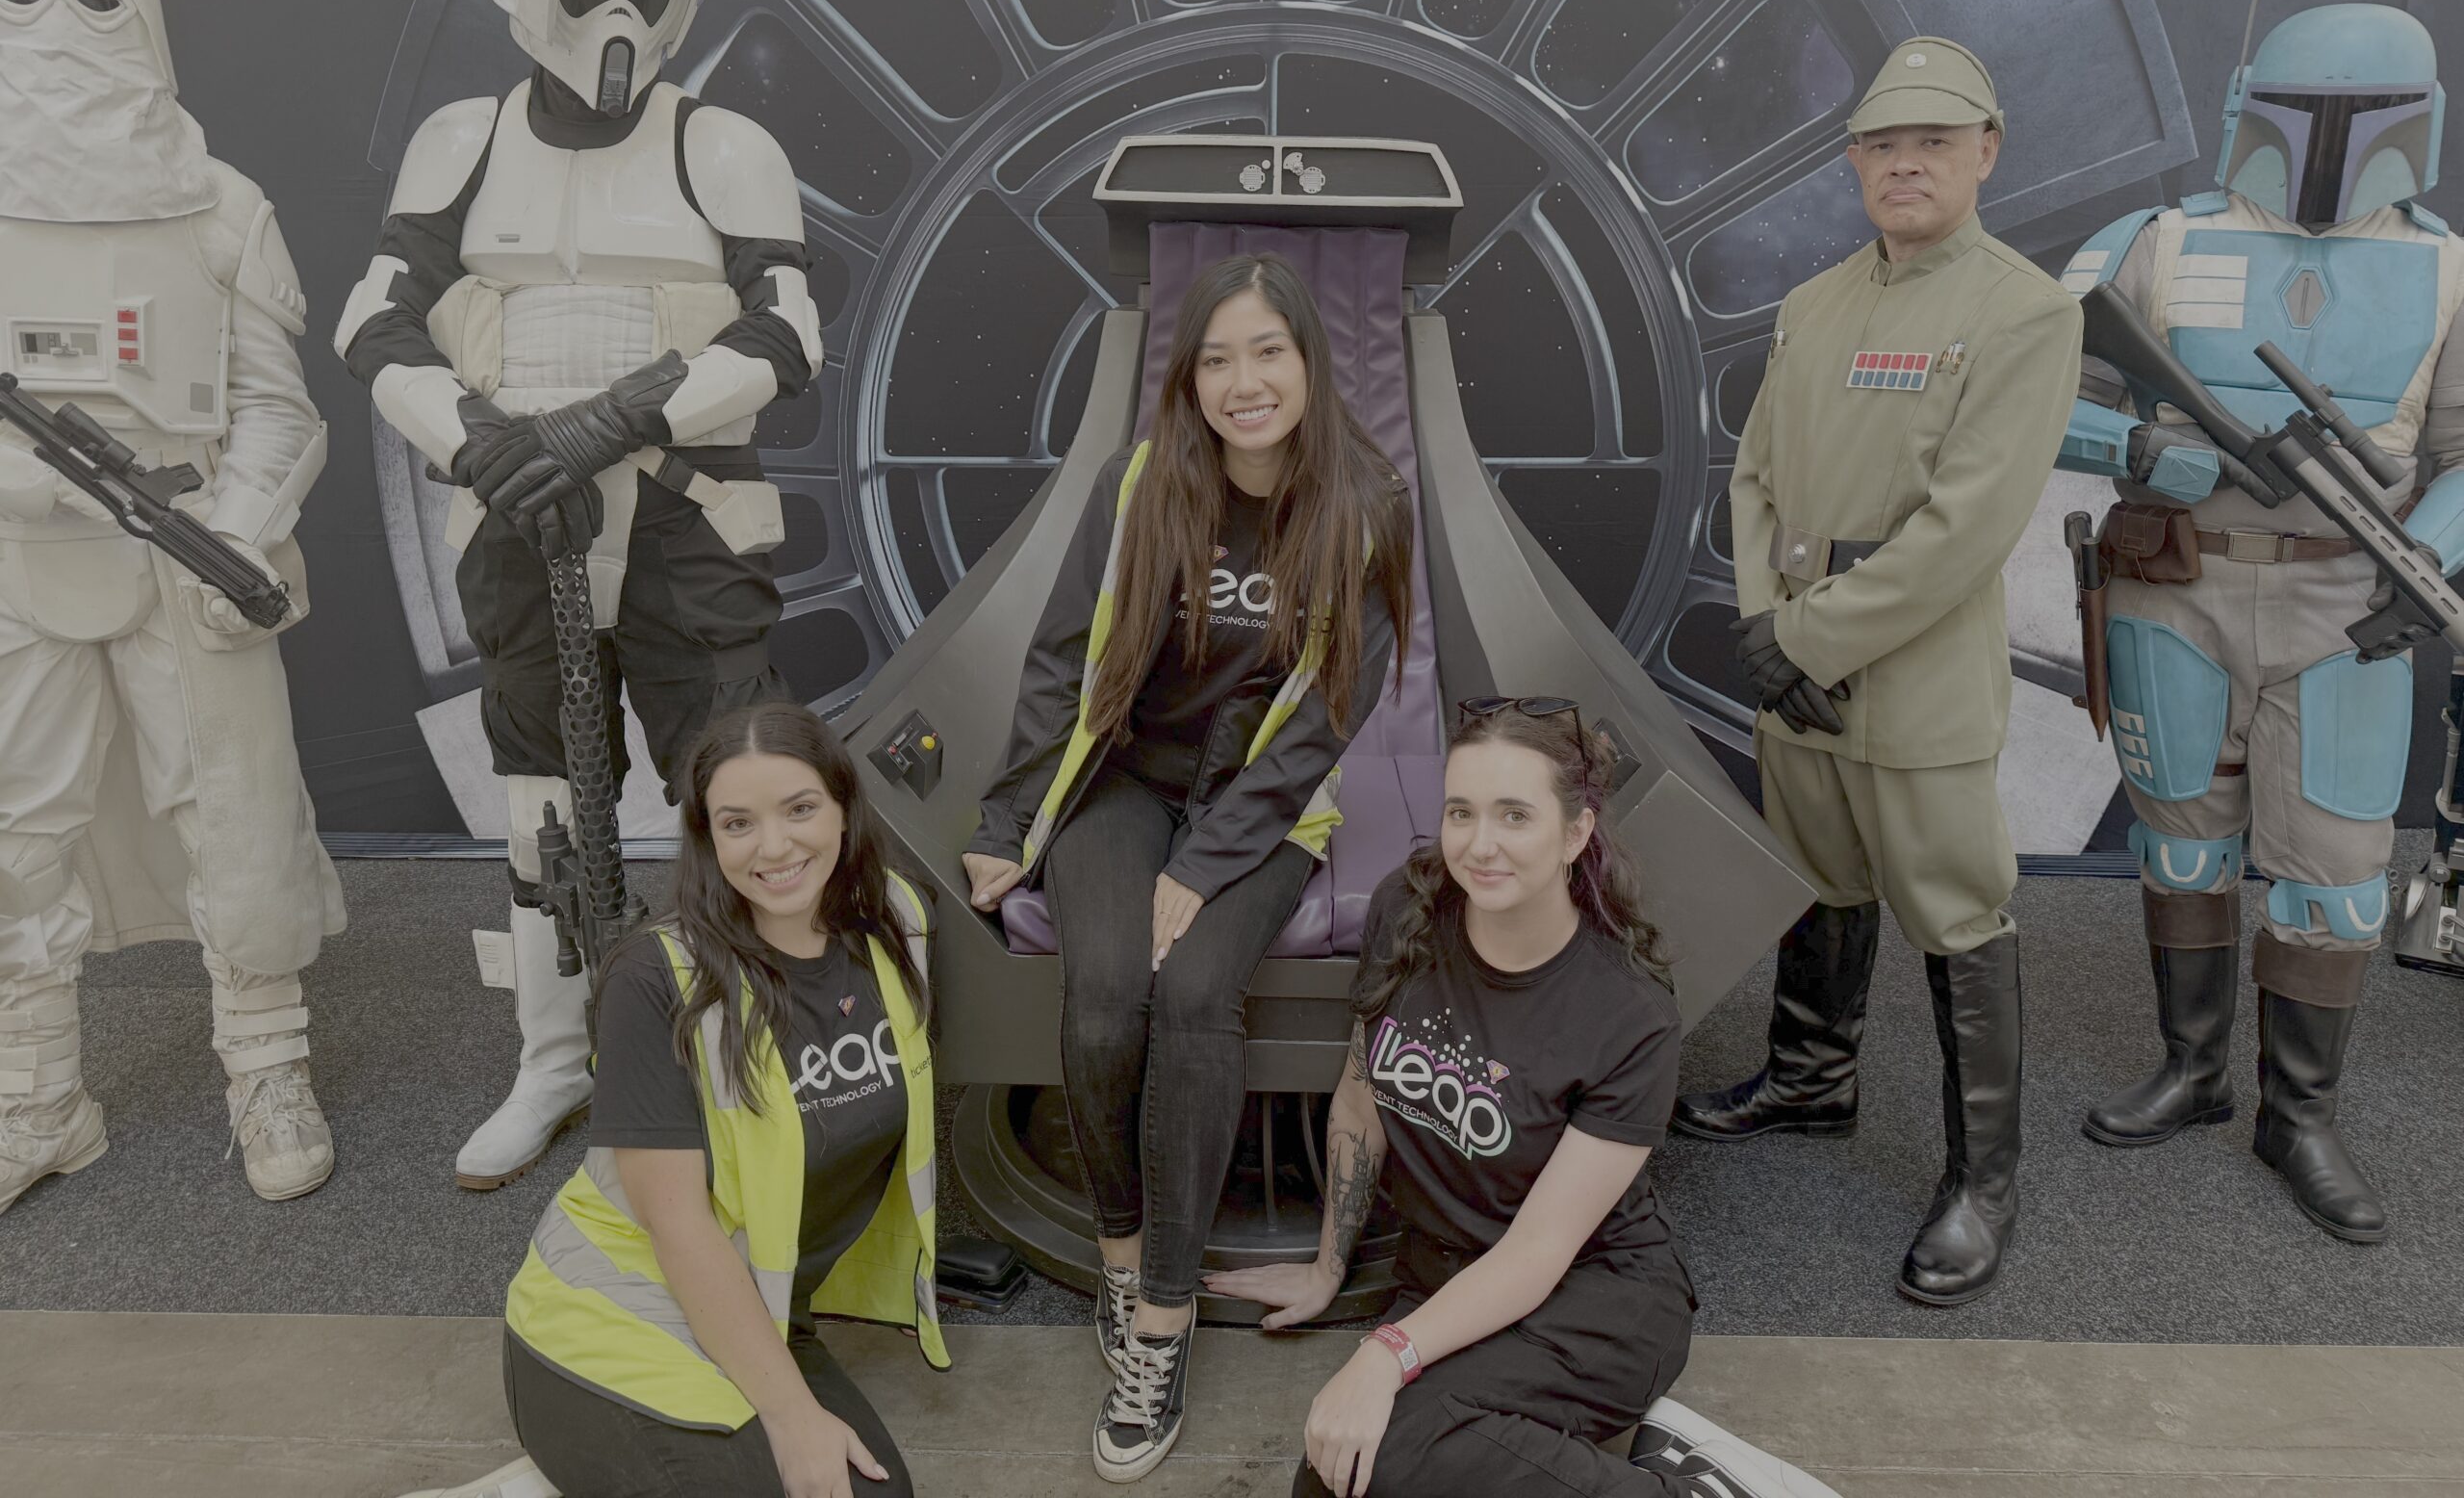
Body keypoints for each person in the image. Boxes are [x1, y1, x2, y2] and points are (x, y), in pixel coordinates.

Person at [334, 0, 823, 1192]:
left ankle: (749, 1050)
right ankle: (556, 1059)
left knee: (736, 786)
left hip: (684, 515)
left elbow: (788, 331)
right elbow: (373, 316)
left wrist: (614, 422)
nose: (619, 19)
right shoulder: (465, 144)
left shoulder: (718, 147)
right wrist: (483, 441)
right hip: (514, 517)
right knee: (544, 795)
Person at [962, 250, 1411, 1483]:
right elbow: (1065, 656)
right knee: (1106, 994)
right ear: (1189, 377)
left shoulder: (1365, 502)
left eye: (1267, 351)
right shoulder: (1143, 483)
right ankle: (1118, 1253)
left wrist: (1206, 864)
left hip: (1263, 808)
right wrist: (1008, 821)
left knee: (1196, 989)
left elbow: (1330, 711)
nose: (1242, 380)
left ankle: (1160, 1320)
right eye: (1216, 357)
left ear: (1310, 363)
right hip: (1122, 785)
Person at [1676, 39, 2083, 1307]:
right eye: (1881, 145)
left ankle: (1984, 1183)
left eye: (1933, 143)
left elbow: (1966, 529)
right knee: (1819, 880)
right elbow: (1750, 479)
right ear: (1854, 162)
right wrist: (1764, 621)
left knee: (1956, 907)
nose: (1904, 164)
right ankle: (1810, 1082)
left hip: (1908, 675)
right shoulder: (1815, 305)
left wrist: (1805, 637)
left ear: (1985, 151)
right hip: (1794, 663)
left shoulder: (2025, 310)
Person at [2050, 0, 2464, 1243]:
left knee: (2337, 878)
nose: (2330, 143)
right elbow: (2026, 385)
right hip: (2177, 582)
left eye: (2362, 117)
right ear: (2250, 109)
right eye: (2309, 113)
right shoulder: (2154, 245)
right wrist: (2130, 442)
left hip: (2351, 598)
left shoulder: (2446, 270)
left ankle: (2301, 1112)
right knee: (2182, 842)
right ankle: (2195, 1070)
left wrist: (2428, 558)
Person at [1204, 701, 1840, 1498]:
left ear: (1575, 834)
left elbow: (1540, 1251)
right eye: (1461, 812)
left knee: (1376, 1459)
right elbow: (1362, 1099)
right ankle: (1628, 1446)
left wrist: (1384, 1353)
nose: (1480, 843)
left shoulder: (1628, 1012)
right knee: (1336, 1478)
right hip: (1450, 1281)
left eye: (1515, 815)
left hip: (1598, 1295)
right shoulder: (1409, 909)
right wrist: (1328, 1268)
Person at [0, 0, 343, 1211]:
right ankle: (37, 1095)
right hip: (19, 569)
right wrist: (33, 497)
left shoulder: (220, 206)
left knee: (238, 826)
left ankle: (268, 1065)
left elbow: (278, 406)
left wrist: (234, 532)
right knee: (15, 838)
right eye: (23, 5)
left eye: (93, 9)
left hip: (188, 554)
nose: (60, 39)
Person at [412, 700, 943, 1498]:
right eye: (738, 823)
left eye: (800, 809)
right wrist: (793, 1417)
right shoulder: (658, 977)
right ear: (706, 836)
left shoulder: (897, 923)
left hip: (757, 1313)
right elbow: (679, 1227)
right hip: (609, 1323)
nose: (775, 847)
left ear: (843, 807)